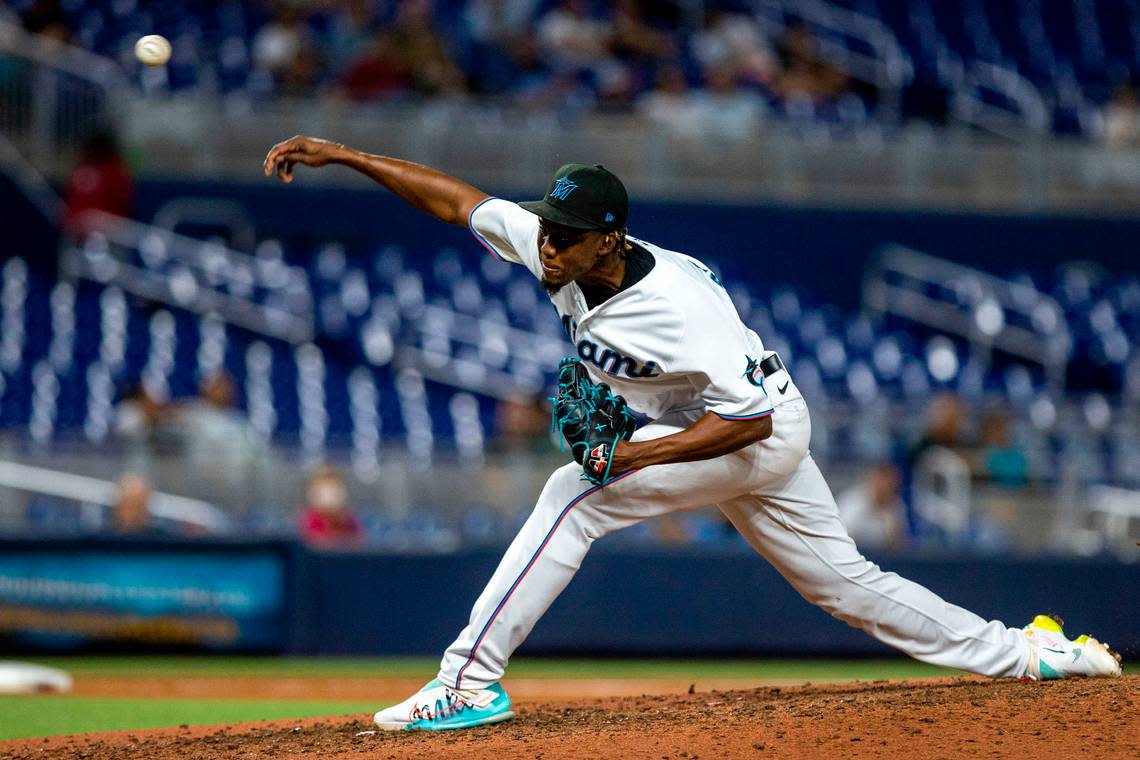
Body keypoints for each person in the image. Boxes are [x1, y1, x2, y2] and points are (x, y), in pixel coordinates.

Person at [262, 135, 1122, 730]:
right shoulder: (558, 244)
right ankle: (1033, 658)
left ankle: (466, 685)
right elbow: (460, 204)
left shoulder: (675, 306)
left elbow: (742, 417)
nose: (546, 247)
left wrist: (637, 454)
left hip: (752, 429)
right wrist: (347, 155)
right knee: (849, 587)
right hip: (730, 421)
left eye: (564, 236)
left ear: (610, 238)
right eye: (545, 230)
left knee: (575, 495)